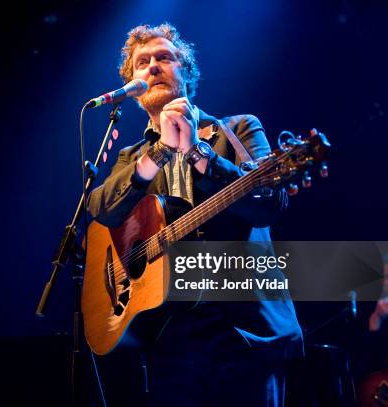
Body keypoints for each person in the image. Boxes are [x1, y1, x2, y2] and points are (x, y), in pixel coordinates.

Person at [87, 23, 303, 406]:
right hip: (170, 337)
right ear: (134, 88)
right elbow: (100, 208)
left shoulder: (237, 129)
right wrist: (157, 155)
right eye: (142, 62)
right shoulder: (132, 157)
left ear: (185, 72)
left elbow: (267, 204)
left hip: (244, 331)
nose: (152, 66)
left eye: (164, 58)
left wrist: (198, 154)